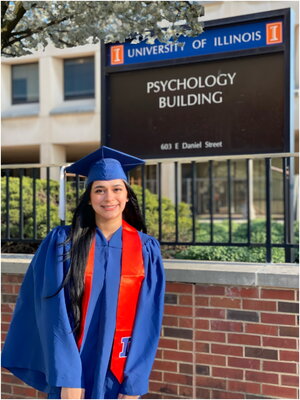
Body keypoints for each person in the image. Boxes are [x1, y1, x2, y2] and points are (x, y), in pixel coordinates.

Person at [2, 146, 165, 399]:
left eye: (116, 189)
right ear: (89, 198)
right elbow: (52, 312)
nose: (108, 197)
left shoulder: (145, 249)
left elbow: (148, 320)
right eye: (99, 190)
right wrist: (69, 377)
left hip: (117, 372)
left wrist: (134, 383)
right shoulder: (63, 243)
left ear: (127, 195)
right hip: (73, 368)